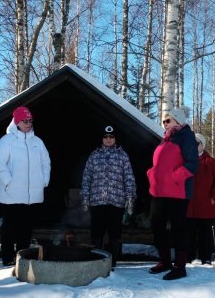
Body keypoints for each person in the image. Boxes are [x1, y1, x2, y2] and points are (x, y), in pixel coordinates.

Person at [0, 106, 51, 267]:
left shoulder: (37, 142)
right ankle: (7, 258)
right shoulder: (7, 141)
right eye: (25, 121)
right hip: (11, 194)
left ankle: (22, 259)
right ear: (17, 121)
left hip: (31, 195)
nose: (28, 123)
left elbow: (46, 162)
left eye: (30, 120)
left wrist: (44, 180)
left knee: (26, 228)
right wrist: (8, 180)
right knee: (10, 228)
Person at [147, 106, 199, 280]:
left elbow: (192, 164)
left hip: (177, 192)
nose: (164, 123)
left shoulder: (186, 137)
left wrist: (173, 177)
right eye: (163, 121)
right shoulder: (167, 139)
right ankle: (165, 261)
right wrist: (152, 174)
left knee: (178, 228)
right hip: (159, 191)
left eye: (167, 120)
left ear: (178, 121)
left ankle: (180, 266)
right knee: (157, 226)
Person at [80, 125, 137, 267]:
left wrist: (130, 198)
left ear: (115, 139)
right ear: (102, 139)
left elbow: (129, 178)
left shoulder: (122, 156)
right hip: (97, 201)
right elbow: (87, 177)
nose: (108, 139)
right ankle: (97, 263)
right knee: (97, 233)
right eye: (106, 137)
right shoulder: (94, 155)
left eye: (111, 137)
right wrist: (85, 196)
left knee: (114, 233)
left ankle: (112, 263)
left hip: (116, 201)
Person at [186, 133, 215, 265]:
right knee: (191, 232)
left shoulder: (210, 162)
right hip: (190, 204)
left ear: (203, 145)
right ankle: (191, 256)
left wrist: (214, 197)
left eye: (198, 143)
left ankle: (206, 256)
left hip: (206, 204)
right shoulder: (186, 160)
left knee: (206, 232)